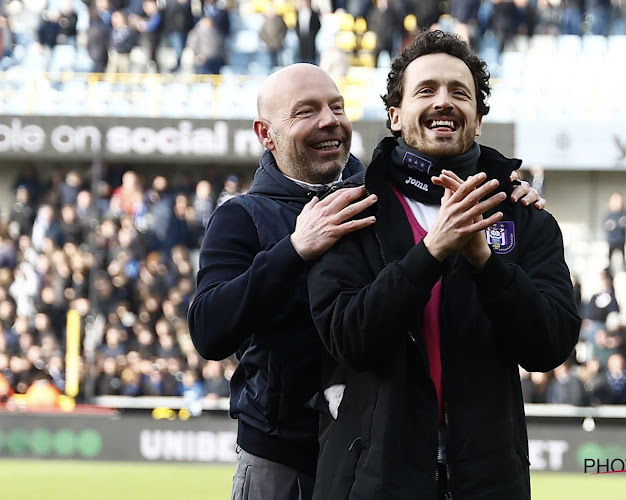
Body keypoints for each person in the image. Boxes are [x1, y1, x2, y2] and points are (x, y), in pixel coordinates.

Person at [188, 63, 543, 500]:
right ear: (266, 133)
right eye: (306, 112)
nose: (329, 121)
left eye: (336, 107)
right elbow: (208, 330)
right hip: (284, 457)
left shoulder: (379, 195)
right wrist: (294, 249)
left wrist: (508, 194)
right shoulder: (241, 216)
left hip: (375, 455)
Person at [307, 30, 580, 499]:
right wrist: (432, 252)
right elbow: (349, 338)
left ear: (478, 120)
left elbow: (550, 346)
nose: (444, 102)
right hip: (373, 480)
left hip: (489, 481)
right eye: (426, 90)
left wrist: (485, 262)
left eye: (460, 92)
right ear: (395, 115)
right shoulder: (349, 211)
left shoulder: (525, 217)